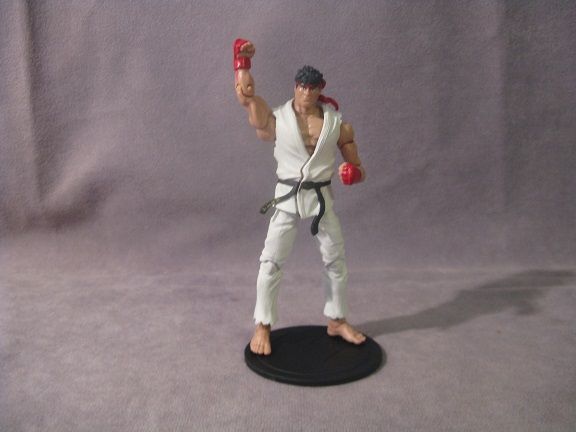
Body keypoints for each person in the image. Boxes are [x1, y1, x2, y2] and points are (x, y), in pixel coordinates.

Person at [234, 38, 367, 355]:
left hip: (321, 199)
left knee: (336, 260)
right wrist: (242, 63)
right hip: (287, 198)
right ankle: (263, 324)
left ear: (320, 89)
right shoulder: (276, 118)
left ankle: (337, 319)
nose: (306, 92)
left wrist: (352, 173)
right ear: (295, 87)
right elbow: (246, 97)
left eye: (312, 88)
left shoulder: (336, 124)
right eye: (301, 87)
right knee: (271, 261)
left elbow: (358, 167)